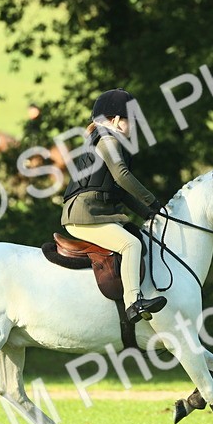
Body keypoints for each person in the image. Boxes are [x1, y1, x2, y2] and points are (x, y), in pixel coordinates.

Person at [61, 88, 167, 324]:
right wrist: (153, 200)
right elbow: (121, 176)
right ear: (116, 120)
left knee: (134, 235)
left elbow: (117, 192)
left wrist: (151, 213)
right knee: (131, 244)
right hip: (84, 215)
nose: (135, 127)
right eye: (132, 121)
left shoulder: (107, 138)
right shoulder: (107, 139)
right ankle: (133, 302)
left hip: (95, 213)